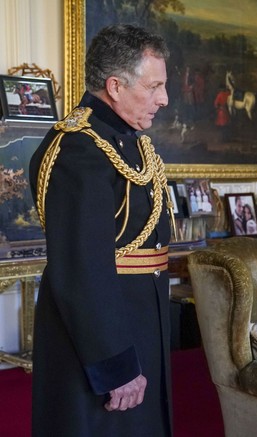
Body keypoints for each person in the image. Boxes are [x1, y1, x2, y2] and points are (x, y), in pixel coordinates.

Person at [28, 24, 174, 436]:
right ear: (115, 86)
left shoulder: (128, 142)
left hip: (138, 325)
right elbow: (81, 270)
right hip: (99, 344)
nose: (164, 99)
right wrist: (115, 364)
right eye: (155, 86)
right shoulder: (78, 149)